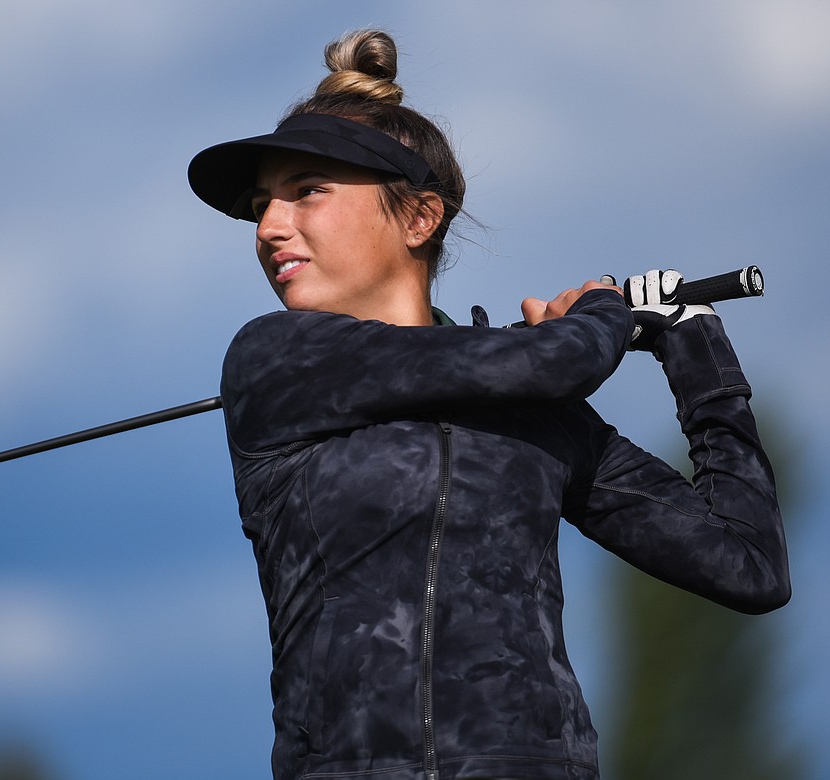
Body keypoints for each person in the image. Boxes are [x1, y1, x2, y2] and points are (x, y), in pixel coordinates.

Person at [187, 29, 790, 780]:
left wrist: (694, 350)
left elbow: (748, 563)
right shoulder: (272, 360)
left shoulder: (525, 401)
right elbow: (562, 357)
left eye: (307, 189)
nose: (270, 226)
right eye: (260, 205)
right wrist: (603, 311)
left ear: (418, 218)